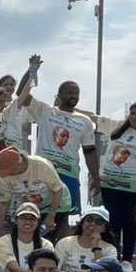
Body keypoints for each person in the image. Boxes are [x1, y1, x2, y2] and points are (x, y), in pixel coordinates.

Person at [92, 100, 136, 272]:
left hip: (132, 185)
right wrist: (72, 109)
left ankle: (127, 260)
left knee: (129, 222)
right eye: (132, 113)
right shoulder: (117, 126)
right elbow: (94, 117)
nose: (135, 117)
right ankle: (113, 257)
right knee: (113, 221)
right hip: (109, 183)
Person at [28, 81, 100, 236]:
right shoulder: (45, 111)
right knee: (37, 213)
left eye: (76, 93)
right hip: (42, 175)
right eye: (69, 92)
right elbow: (23, 95)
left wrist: (96, 177)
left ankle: (62, 254)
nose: (73, 96)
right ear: (59, 96)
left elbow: (89, 151)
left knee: (63, 218)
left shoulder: (85, 121)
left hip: (69, 175)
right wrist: (32, 71)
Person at [0, 147, 66, 239]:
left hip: (56, 202)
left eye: (9, 171)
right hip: (31, 206)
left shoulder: (41, 165)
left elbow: (58, 190)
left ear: (18, 163)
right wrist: (1, 229)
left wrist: (51, 216)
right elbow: (3, 203)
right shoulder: (4, 175)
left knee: (46, 238)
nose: (7, 174)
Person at [55, 206, 119, 272]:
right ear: (82, 223)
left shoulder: (109, 249)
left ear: (104, 228)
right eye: (89, 220)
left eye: (99, 222)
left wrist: (96, 247)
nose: (93, 224)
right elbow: (53, 269)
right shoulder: (65, 243)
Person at [0, 202, 45, 272]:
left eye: (32, 219)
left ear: (38, 222)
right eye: (23, 218)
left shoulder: (45, 244)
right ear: (16, 220)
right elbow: (13, 267)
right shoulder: (4, 241)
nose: (28, 222)